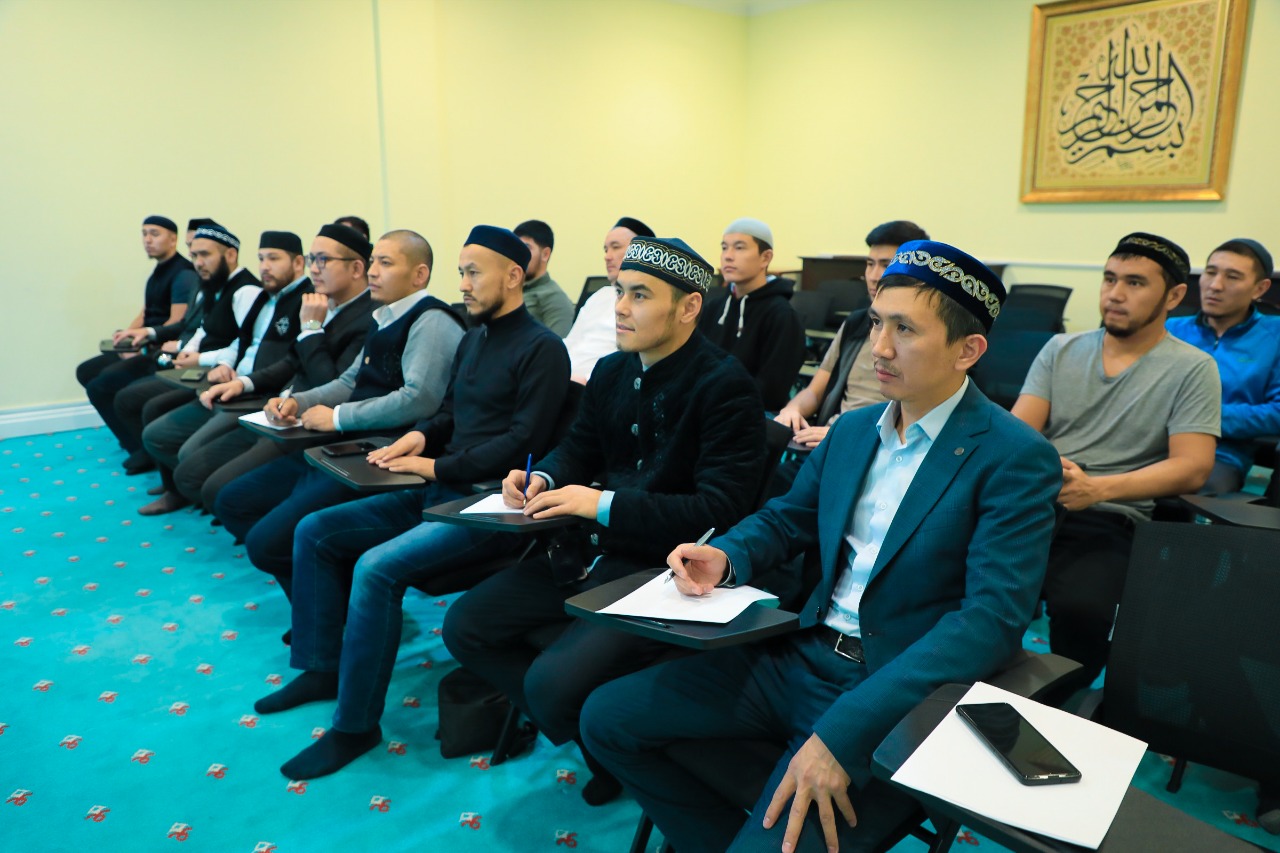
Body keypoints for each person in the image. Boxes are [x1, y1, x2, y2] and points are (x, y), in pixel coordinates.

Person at [581, 240, 1062, 852]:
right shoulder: (855, 429)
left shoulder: (1014, 457)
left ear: (967, 350)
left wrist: (845, 731)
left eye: (905, 330)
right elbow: (789, 518)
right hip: (801, 655)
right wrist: (729, 555)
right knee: (606, 719)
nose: (879, 347)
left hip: (895, 687)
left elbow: (989, 621)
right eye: (877, 323)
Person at [443, 235, 766, 805]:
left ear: (689, 306)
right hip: (588, 553)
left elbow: (720, 511)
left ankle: (605, 741)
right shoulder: (614, 370)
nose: (619, 307)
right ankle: (599, 745)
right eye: (619, 291)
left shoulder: (724, 384)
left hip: (662, 571)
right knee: (465, 626)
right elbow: (578, 449)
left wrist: (599, 504)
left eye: (640, 295)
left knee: (550, 686)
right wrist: (542, 477)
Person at [250, 225, 571, 781]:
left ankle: (355, 726)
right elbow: (448, 413)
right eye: (461, 272)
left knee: (375, 568)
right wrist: (419, 437)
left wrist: (437, 466)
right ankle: (324, 667)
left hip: (491, 505)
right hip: (442, 488)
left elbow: (523, 442)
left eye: (474, 273)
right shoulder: (475, 337)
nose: (463, 284)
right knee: (315, 531)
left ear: (513, 276)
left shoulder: (542, 348)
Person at [1012, 232, 1219, 684]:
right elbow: (1018, 434)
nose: (1115, 294)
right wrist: (1050, 471)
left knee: (1081, 610)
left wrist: (1097, 489)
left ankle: (1065, 705)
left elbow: (1194, 467)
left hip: (1110, 513)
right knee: (968, 584)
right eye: (1109, 279)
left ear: (1174, 296)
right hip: (1038, 501)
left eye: (1135, 283)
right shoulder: (1060, 349)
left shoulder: (1193, 367)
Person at [214, 227, 466, 598]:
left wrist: (336, 417)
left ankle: (331, 606)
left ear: (419, 274)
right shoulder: (384, 316)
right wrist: (300, 402)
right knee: (233, 501)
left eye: (385, 263)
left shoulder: (432, 320)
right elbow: (350, 381)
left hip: (381, 455)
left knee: (268, 542)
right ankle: (328, 600)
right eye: (373, 262)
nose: (373, 271)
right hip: (344, 445)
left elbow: (418, 400)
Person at [190, 224, 377, 511]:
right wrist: (243, 383)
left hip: (310, 427)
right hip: (279, 412)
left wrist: (311, 328)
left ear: (356, 269)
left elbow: (332, 384)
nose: (314, 269)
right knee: (195, 471)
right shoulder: (324, 303)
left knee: (220, 491)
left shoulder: (368, 317)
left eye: (323, 260)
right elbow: (291, 361)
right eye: (312, 259)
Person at [137, 231, 309, 515]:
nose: (264, 267)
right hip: (233, 384)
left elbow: (294, 364)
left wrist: (244, 383)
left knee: (190, 457)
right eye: (261, 259)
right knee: (157, 431)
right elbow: (239, 342)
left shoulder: (307, 303)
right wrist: (225, 365)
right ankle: (197, 495)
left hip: (259, 396)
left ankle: (212, 499)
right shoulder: (263, 297)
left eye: (273, 259)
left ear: (298, 263)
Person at [111, 223, 260, 473]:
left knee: (152, 406)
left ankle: (178, 481)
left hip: (220, 374)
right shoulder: (216, 285)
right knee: (134, 394)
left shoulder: (246, 291)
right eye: (194, 256)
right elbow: (203, 329)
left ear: (230, 254)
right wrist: (186, 352)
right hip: (200, 366)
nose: (198, 263)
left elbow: (243, 345)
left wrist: (199, 359)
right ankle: (169, 478)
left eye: (205, 255)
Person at [775, 221, 930, 449]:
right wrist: (793, 409)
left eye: (886, 264)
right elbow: (814, 392)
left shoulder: (924, 336)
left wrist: (842, 435)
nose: (874, 276)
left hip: (877, 445)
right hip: (828, 438)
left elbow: (915, 421)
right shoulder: (855, 323)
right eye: (870, 264)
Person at [1167, 239, 1278, 495]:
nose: (1215, 285)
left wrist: (1202, 417)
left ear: (1259, 288)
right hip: (1151, 444)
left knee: (1199, 494)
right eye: (1211, 272)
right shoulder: (1170, 329)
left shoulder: (1275, 336)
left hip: (1221, 454)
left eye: (1232, 277)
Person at [79, 215, 197, 452]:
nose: (147, 240)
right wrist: (127, 337)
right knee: (86, 371)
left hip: (161, 352)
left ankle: (140, 448)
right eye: (144, 234)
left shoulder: (183, 274)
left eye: (155, 234)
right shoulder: (158, 272)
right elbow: (146, 313)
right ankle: (130, 439)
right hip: (146, 344)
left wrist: (140, 348)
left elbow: (176, 324)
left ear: (173, 239)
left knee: (103, 383)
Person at [698, 218, 805, 411]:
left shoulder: (782, 316)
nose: (728, 256)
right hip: (703, 407)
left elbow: (771, 392)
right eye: (724, 248)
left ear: (765, 258)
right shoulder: (714, 308)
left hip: (748, 414)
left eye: (739, 248)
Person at [563, 216, 654, 383]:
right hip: (563, 378)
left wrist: (587, 381)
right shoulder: (599, 295)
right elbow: (571, 343)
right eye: (606, 250)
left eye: (615, 247)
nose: (607, 256)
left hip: (599, 384)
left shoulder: (650, 301)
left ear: (642, 252)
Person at [514, 219, 574, 336]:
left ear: (545, 254)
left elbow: (557, 345)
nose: (518, 254)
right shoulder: (510, 290)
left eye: (526, 248)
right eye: (516, 248)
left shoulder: (555, 298)